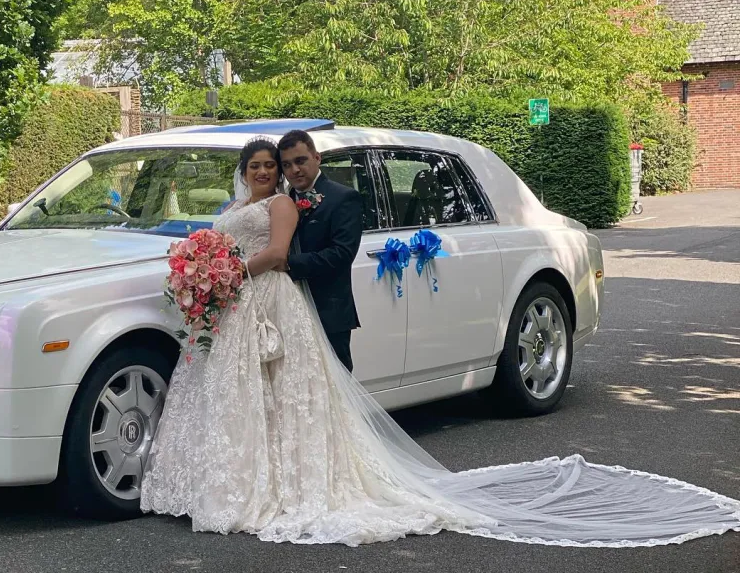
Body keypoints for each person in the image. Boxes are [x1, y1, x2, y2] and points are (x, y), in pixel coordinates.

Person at [139, 136, 740, 547]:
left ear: (310, 160)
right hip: (259, 307)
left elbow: (325, 253)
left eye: (292, 162)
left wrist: (247, 271)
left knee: (320, 407)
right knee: (296, 407)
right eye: (272, 164)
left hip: (302, 303)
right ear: (250, 171)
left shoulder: (329, 200)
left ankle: (309, 481)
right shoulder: (270, 201)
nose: (283, 171)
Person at [276, 130, 362, 372]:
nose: (294, 170)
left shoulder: (344, 198)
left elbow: (342, 253)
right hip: (287, 310)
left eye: (300, 161)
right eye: (287, 165)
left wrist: (289, 264)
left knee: (336, 385)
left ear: (317, 158)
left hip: (328, 310)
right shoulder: (280, 202)